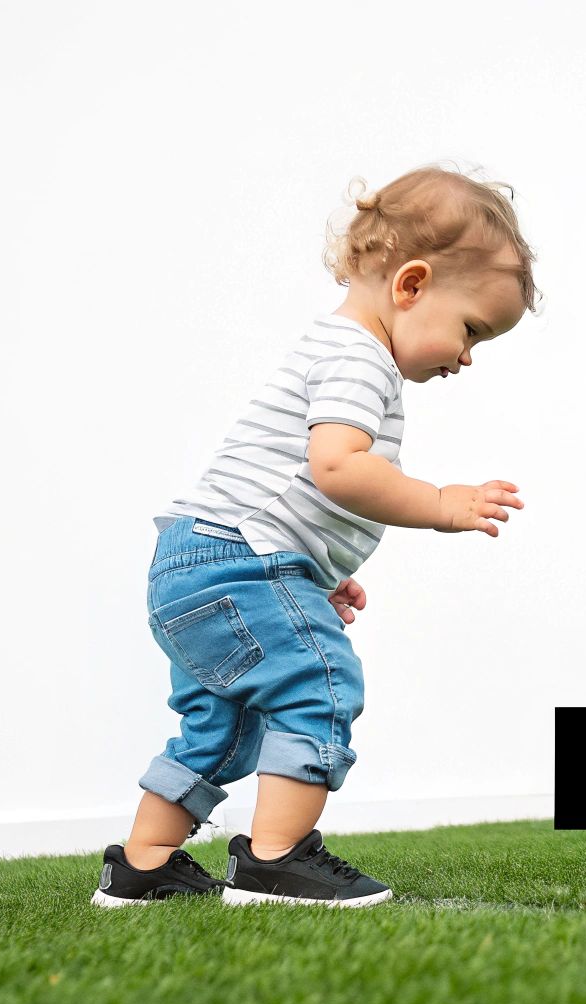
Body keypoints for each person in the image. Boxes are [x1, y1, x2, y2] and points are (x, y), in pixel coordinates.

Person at [93, 167, 537, 907]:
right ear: (412, 284)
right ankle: (276, 860)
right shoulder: (359, 359)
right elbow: (335, 467)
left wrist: (312, 573)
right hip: (237, 561)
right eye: (471, 331)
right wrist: (438, 503)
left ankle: (142, 867)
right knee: (320, 683)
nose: (466, 357)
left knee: (222, 727)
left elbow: (284, 486)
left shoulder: (332, 349)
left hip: (201, 561)